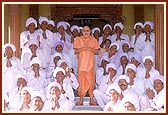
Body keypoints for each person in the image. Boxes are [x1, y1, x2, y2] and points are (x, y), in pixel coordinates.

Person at [73, 25, 100, 106]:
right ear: (82, 32)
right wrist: (84, 48)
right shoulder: (78, 39)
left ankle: (91, 99)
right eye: (84, 30)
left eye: (87, 30)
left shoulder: (93, 40)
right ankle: (81, 99)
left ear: (90, 31)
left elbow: (97, 51)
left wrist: (89, 48)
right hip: (81, 65)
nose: (86, 32)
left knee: (91, 82)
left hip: (90, 65)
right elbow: (76, 51)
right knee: (81, 82)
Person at [3, 43, 24, 110]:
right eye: (6, 50)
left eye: (9, 50)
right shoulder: (2, 60)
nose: (7, 52)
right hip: (4, 85)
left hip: (13, 85)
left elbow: (21, 72)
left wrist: (12, 67)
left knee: (12, 104)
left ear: (12, 51)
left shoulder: (17, 61)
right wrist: (6, 67)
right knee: (4, 104)